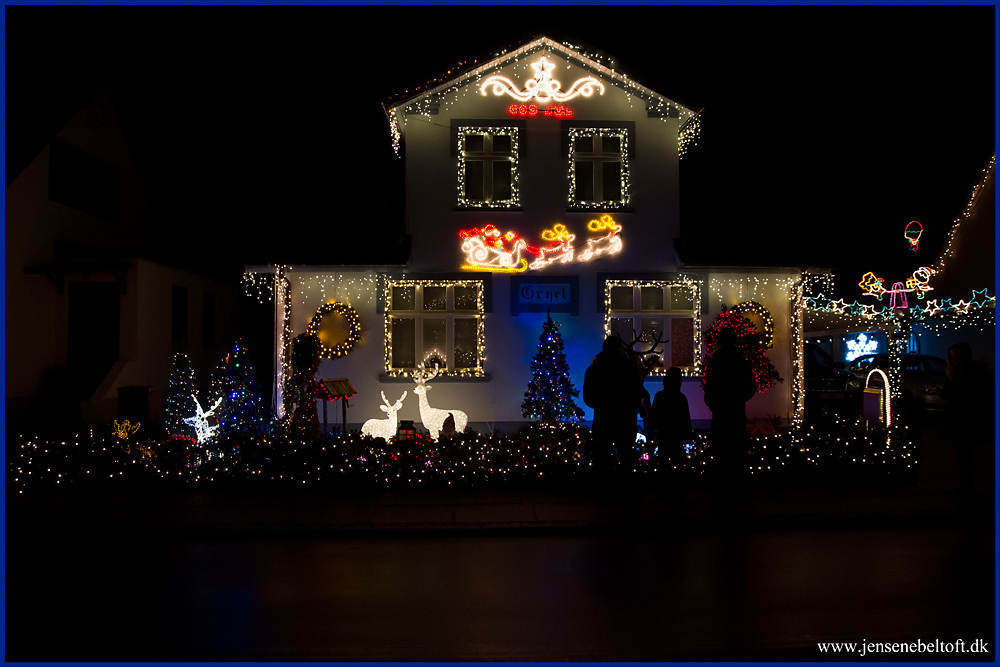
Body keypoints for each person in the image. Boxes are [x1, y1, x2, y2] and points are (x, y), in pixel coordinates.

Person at [583, 335, 645, 479]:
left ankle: (603, 493)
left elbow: (588, 397)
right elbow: (637, 391)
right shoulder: (628, 368)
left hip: (603, 419)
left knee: (602, 458)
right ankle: (625, 492)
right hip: (625, 419)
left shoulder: (594, 368)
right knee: (626, 458)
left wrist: (602, 404)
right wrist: (631, 406)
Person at [703, 329, 756, 484]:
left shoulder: (716, 361)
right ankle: (735, 483)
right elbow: (750, 386)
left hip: (721, 411)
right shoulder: (741, 360)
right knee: (735, 449)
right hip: (736, 410)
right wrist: (739, 398)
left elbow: (711, 386)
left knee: (721, 449)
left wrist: (713, 403)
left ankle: (723, 483)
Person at [943, 342, 993, 502]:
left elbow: (985, 392)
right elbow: (947, 391)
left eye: (956, 356)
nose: (955, 360)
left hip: (969, 418)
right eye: (952, 357)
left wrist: (967, 399)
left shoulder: (975, 372)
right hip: (958, 418)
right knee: (962, 455)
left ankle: (967, 488)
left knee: (965, 455)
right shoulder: (954, 372)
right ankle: (966, 487)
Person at [651, 367, 692, 474]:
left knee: (663, 460)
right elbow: (686, 419)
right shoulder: (681, 398)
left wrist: (651, 434)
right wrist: (688, 436)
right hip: (676, 434)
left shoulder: (659, 396)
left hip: (663, 433)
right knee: (677, 460)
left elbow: (653, 417)